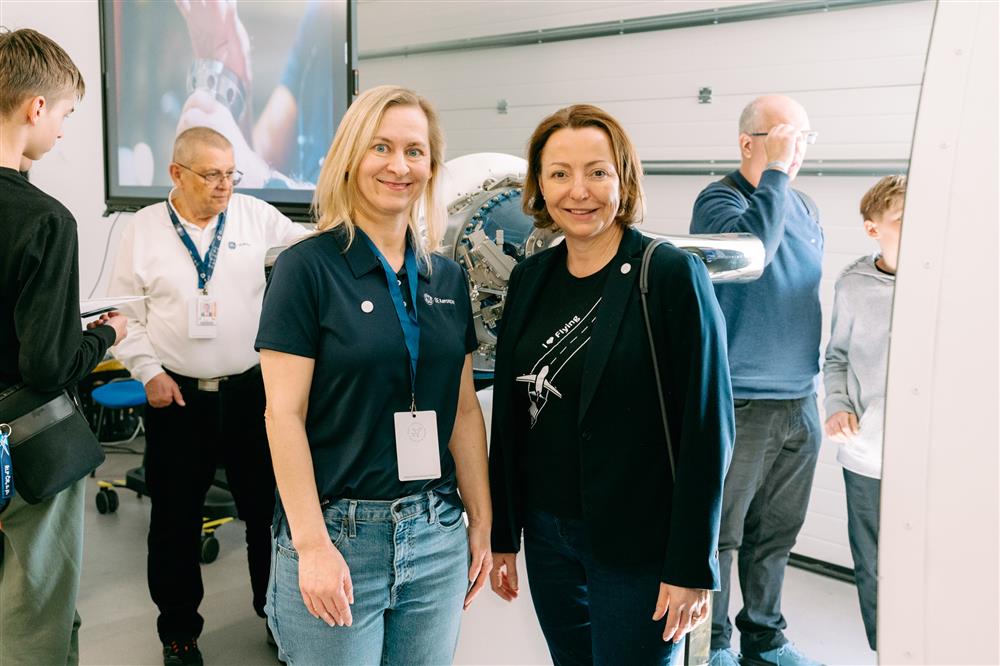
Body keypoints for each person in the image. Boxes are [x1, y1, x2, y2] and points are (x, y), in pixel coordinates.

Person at [488, 104, 734, 665]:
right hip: (548, 537)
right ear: (539, 185)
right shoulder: (530, 279)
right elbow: (510, 413)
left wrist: (692, 563)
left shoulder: (668, 274)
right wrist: (506, 532)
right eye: (559, 173)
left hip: (639, 544)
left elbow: (707, 428)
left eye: (597, 172)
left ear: (623, 178)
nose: (579, 191)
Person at [255, 85, 492, 665]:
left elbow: (462, 410)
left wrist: (482, 518)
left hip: (435, 530)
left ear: (431, 166)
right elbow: (282, 416)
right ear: (349, 157)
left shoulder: (446, 278)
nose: (398, 165)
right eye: (380, 147)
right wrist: (312, 545)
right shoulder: (305, 269)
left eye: (415, 151)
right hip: (339, 532)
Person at [107, 126, 306, 665]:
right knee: (175, 520)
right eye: (212, 174)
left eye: (231, 173)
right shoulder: (143, 230)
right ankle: (178, 633)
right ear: (176, 174)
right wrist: (148, 371)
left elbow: (312, 245)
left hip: (250, 394)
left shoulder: (254, 216)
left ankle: (277, 615)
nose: (225, 185)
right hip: (177, 398)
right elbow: (125, 313)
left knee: (267, 513)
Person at [0, 27, 128, 666]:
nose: (61, 132)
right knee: (36, 613)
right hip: (23, 445)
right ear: (35, 107)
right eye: (66, 115)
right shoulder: (44, 219)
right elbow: (48, 364)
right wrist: (106, 333)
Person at [689, 95, 824, 666]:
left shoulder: (805, 206)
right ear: (749, 143)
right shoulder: (720, 201)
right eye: (787, 135)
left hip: (800, 400)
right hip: (742, 402)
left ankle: (764, 640)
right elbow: (757, 254)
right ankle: (714, 644)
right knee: (723, 536)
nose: (799, 148)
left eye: (805, 137)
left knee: (777, 534)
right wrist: (775, 174)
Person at [823, 175, 905, 653]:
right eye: (903, 218)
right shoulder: (853, 286)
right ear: (874, 229)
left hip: (932, 457)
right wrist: (838, 406)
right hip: (867, 457)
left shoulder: (952, 281)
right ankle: (885, 652)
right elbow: (836, 357)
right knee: (873, 564)